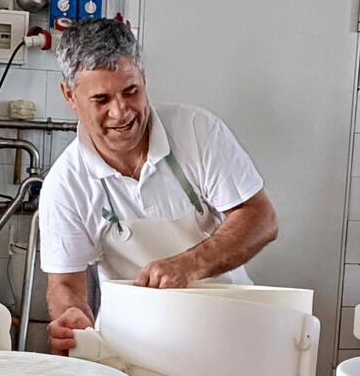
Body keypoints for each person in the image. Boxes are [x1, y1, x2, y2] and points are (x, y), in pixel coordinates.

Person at [40, 19, 279, 354]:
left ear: (144, 79)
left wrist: (189, 265)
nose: (120, 112)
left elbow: (260, 218)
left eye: (131, 91)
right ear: (70, 96)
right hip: (135, 345)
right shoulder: (66, 184)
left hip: (228, 329)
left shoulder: (197, 131)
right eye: (101, 99)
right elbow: (65, 281)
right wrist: (72, 317)